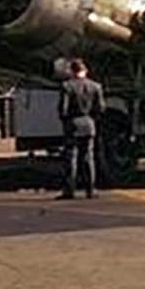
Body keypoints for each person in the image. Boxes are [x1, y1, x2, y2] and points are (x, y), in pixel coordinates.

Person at [57, 59, 104, 199]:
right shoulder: (96, 86)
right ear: (86, 71)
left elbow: (63, 109)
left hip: (73, 124)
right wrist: (92, 119)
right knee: (88, 158)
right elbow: (100, 108)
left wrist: (66, 121)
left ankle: (69, 190)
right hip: (89, 124)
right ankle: (90, 189)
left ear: (72, 71)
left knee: (71, 158)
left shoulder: (67, 86)